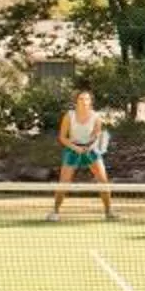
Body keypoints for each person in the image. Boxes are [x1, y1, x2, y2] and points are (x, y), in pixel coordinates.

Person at [50, 88, 113, 220]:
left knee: (103, 181)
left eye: (87, 99)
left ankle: (109, 212)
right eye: (81, 99)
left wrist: (90, 147)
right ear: (76, 101)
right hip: (72, 149)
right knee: (63, 183)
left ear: (90, 102)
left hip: (91, 150)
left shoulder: (96, 117)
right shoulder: (69, 116)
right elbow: (62, 137)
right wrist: (75, 148)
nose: (84, 101)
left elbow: (96, 135)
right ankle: (55, 212)